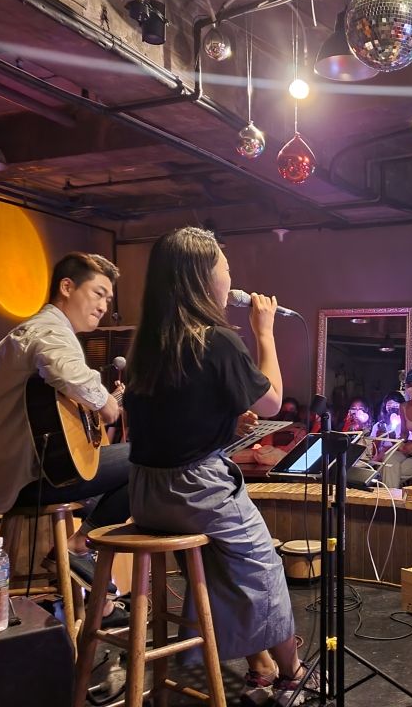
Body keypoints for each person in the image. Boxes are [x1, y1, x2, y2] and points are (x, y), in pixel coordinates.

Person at [123, 226, 310, 706]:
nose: (232, 281)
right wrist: (264, 333)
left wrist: (224, 418)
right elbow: (271, 403)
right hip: (194, 492)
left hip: (146, 493)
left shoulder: (150, 342)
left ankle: (260, 663)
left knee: (220, 557)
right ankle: (293, 673)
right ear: (203, 279)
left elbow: (175, 419)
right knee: (263, 564)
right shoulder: (219, 338)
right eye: (226, 270)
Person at [0, 253, 130, 582]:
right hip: (19, 478)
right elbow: (69, 374)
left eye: (108, 299)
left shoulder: (40, 331)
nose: (103, 306)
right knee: (151, 461)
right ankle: (77, 548)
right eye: (97, 293)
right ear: (66, 287)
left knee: (112, 476)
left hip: (15, 473)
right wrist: (108, 404)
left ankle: (97, 600)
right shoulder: (48, 330)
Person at [369, 391, 405, 461]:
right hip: (379, 460)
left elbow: (406, 449)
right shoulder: (378, 425)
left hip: (396, 459)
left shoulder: (407, 425)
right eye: (389, 405)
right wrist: (379, 436)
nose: (393, 408)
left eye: (396, 405)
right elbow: (372, 451)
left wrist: (393, 439)